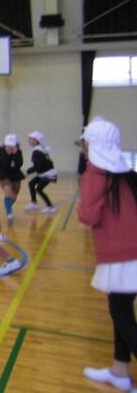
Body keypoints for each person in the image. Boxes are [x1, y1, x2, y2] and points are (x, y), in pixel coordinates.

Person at [78, 118, 137, 392]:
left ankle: (120, 371)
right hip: (130, 252)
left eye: (85, 144)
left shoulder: (95, 174)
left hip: (121, 255)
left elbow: (88, 216)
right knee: (120, 311)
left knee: (121, 314)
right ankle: (119, 371)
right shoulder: (125, 172)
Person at [0, 134, 25, 224]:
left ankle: (8, 206)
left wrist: (15, 154)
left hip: (15, 175)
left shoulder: (18, 152)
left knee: (14, 195)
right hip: (3, 175)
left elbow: (19, 164)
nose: (9, 147)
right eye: (7, 145)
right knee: (8, 192)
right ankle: (9, 213)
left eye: (11, 145)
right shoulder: (0, 150)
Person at [25, 131, 58, 214]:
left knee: (39, 189)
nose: (29, 140)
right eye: (29, 138)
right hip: (43, 173)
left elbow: (37, 167)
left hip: (48, 174)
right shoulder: (39, 149)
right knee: (31, 183)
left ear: (36, 141)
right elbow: (39, 166)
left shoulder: (37, 152)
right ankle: (34, 203)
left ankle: (50, 207)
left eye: (31, 139)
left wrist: (26, 172)